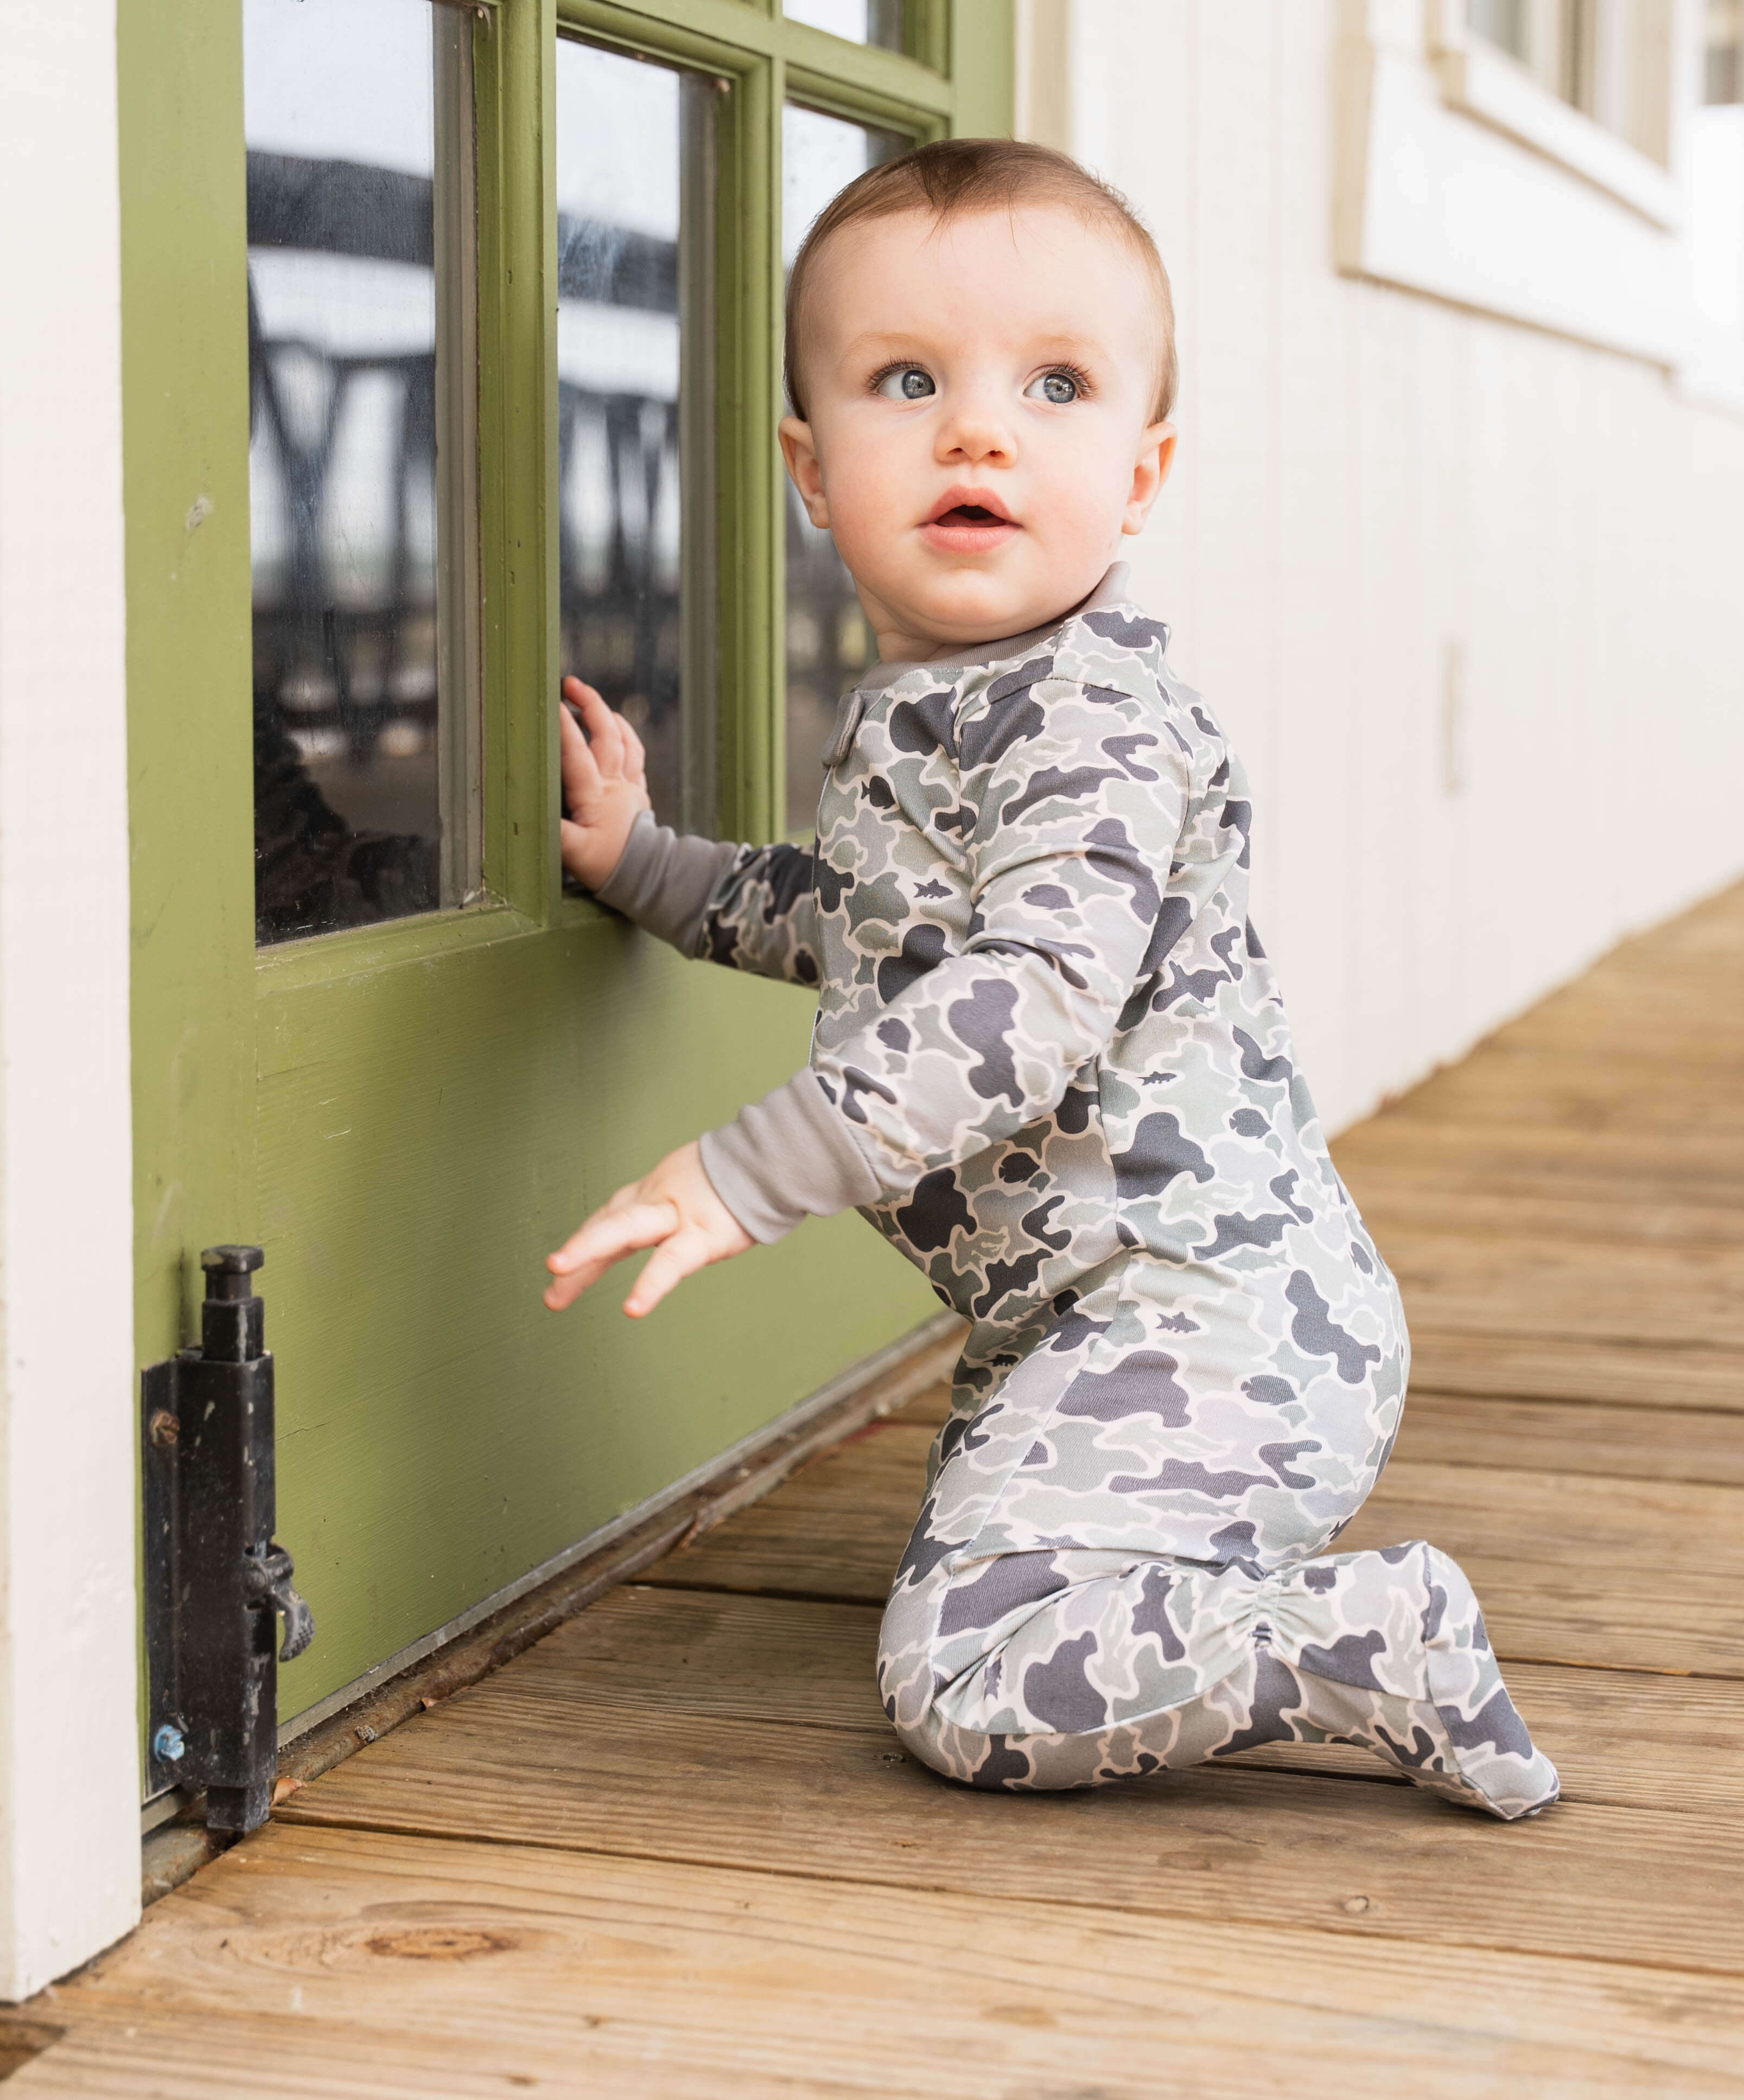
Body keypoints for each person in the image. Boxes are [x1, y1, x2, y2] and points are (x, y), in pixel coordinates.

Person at [546, 140, 1558, 1821]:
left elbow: (1020, 997)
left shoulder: (1086, 716)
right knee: (1004, 1602)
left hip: (1211, 1324)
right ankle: (1201, 1588)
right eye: (906, 380)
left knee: (961, 1675)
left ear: (1143, 472)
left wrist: (746, 1171)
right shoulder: (946, 706)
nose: (977, 428)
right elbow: (858, 923)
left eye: (1056, 384)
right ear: (811, 466)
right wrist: (646, 864)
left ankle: (1363, 1636)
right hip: (1091, 1325)